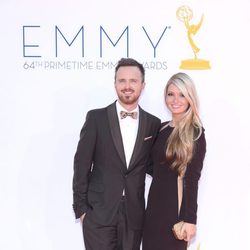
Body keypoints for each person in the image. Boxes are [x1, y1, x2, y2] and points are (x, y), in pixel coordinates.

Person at [72, 58, 161, 250]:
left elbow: (154, 167)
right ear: (115, 84)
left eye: (133, 81)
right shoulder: (96, 118)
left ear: (142, 85)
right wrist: (82, 210)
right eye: (122, 81)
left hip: (134, 215)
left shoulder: (153, 123)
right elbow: (81, 165)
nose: (127, 86)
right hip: (98, 214)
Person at [142, 72, 206, 250]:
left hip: (176, 213)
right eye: (171, 94)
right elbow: (153, 167)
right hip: (153, 209)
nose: (175, 100)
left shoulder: (195, 133)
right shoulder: (160, 129)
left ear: (189, 98)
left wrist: (189, 220)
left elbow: (192, 179)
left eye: (182, 94)